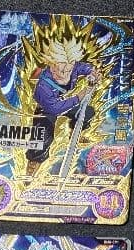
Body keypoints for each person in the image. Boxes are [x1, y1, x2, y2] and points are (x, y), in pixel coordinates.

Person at [26, 37, 100, 174]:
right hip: (46, 109)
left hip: (64, 101)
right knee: (42, 137)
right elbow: (54, 108)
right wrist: (78, 97)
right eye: (60, 68)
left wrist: (92, 72)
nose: (65, 72)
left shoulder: (72, 67)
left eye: (69, 67)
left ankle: (74, 133)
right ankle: (33, 162)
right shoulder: (43, 86)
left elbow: (83, 67)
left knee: (87, 112)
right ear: (52, 64)